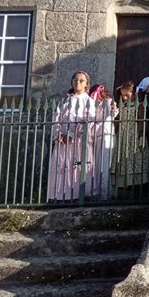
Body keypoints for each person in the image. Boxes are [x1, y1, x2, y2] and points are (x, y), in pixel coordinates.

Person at [47, 71, 98, 202]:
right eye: (75, 80)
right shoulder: (64, 101)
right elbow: (56, 118)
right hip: (62, 142)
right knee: (62, 168)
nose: (77, 82)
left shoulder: (89, 101)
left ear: (87, 84)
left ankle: (79, 197)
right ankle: (60, 197)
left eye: (81, 80)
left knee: (78, 168)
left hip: (79, 141)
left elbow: (89, 120)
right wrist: (59, 134)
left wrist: (72, 135)